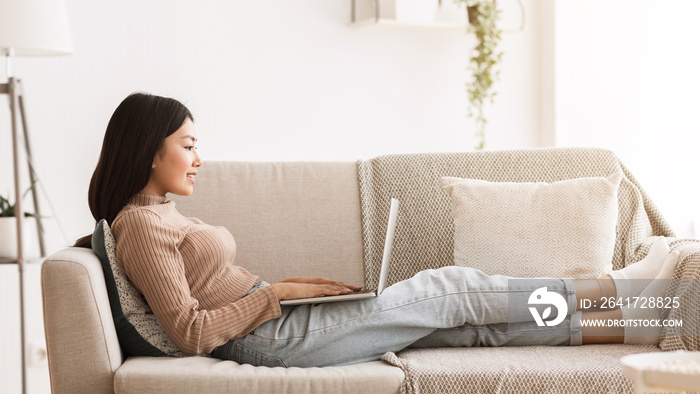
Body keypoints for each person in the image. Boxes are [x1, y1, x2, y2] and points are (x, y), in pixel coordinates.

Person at [76, 92, 680, 368]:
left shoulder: (161, 217)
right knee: (452, 289)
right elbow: (187, 333)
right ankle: (617, 288)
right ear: (150, 152)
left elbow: (211, 292)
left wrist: (283, 286)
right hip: (268, 340)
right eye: (188, 144)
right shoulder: (140, 226)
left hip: (278, 321)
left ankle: (640, 321)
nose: (199, 157)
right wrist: (275, 295)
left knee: (474, 333)